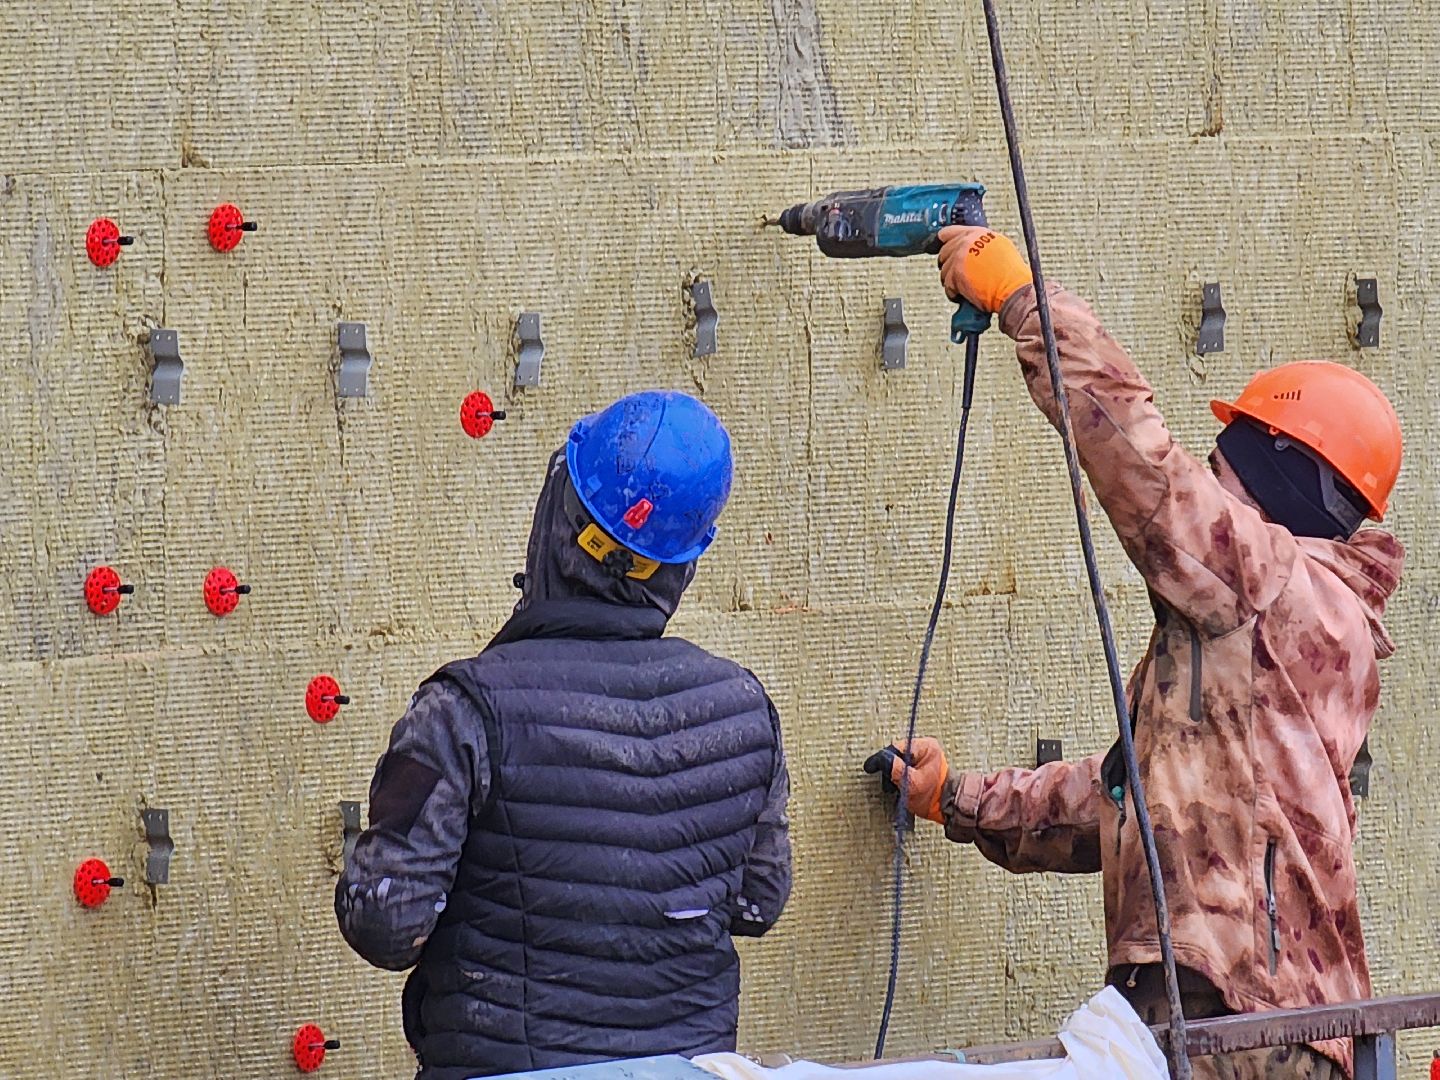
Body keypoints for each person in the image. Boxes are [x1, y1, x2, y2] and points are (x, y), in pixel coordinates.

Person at [866, 226, 1404, 1079]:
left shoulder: (1268, 585)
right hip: (1274, 1024)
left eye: (1224, 467)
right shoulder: (1275, 634)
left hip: (1240, 1018)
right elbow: (1129, 799)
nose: (1210, 481)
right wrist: (955, 801)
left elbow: (1138, 456)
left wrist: (1022, 299)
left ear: (1279, 471)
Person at [338, 390, 792, 1080]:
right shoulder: (743, 710)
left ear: (559, 517)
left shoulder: (464, 709)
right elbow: (759, 902)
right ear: (683, 564)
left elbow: (385, 921)